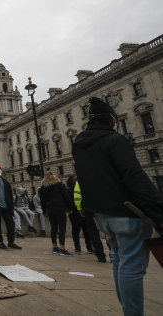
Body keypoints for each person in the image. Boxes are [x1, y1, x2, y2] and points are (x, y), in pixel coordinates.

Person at [72, 97, 163, 315]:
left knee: (118, 260)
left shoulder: (79, 145)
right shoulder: (115, 140)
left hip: (102, 215)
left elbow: (86, 180)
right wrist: (158, 212)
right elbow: (135, 178)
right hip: (126, 212)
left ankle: (127, 309)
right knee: (132, 267)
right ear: (110, 118)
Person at [39, 171, 74, 256]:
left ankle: (55, 247)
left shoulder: (43, 187)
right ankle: (62, 249)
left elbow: (42, 201)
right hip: (60, 207)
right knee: (62, 228)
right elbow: (66, 196)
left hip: (50, 209)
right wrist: (70, 208)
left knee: (53, 228)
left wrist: (44, 211)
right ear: (54, 176)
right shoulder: (59, 184)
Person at [73, 178, 107, 263]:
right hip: (102, 205)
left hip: (87, 207)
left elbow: (77, 195)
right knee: (108, 231)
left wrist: (79, 208)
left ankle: (100, 255)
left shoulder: (81, 178)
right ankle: (113, 255)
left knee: (93, 231)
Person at [66, 175, 93, 254]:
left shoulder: (81, 187)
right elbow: (67, 201)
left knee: (86, 229)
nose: (77, 181)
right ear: (71, 181)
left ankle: (89, 247)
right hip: (74, 212)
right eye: (75, 179)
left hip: (83, 210)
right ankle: (77, 247)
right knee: (76, 230)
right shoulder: (69, 190)